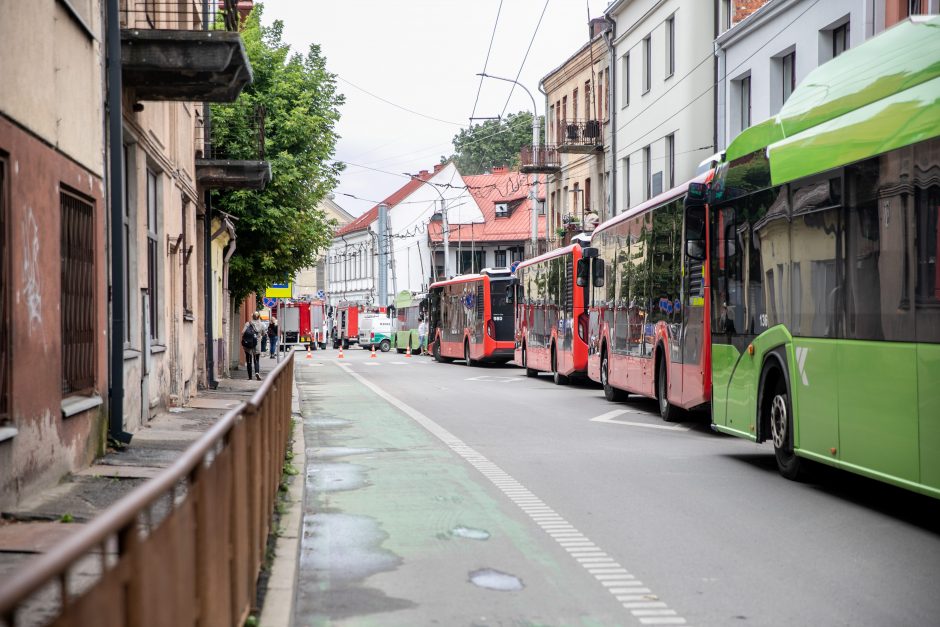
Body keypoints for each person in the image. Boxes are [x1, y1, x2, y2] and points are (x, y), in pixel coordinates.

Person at [242, 312, 265, 380]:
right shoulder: (261, 324)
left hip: (248, 344)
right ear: (259, 317)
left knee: (249, 360)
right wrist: (259, 336)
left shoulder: (248, 323)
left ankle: (250, 377)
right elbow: (263, 333)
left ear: (252, 316)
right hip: (257, 344)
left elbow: (243, 332)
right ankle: (257, 372)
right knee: (256, 360)